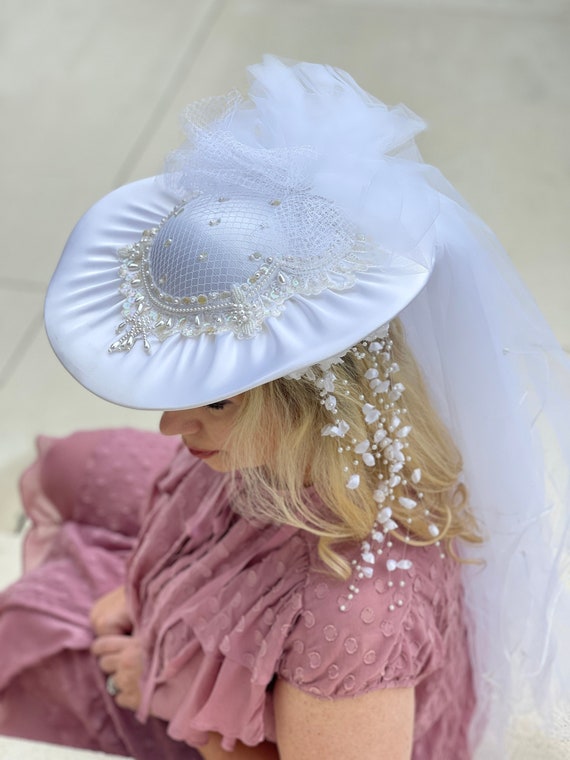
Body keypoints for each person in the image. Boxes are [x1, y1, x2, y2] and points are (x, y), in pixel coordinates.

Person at [0, 56, 568, 759]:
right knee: (72, 465)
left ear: (315, 400)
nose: (172, 428)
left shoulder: (357, 615)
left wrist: (168, 686)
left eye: (212, 399)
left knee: (18, 647)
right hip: (245, 539)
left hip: (237, 720)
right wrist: (148, 591)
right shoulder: (280, 445)